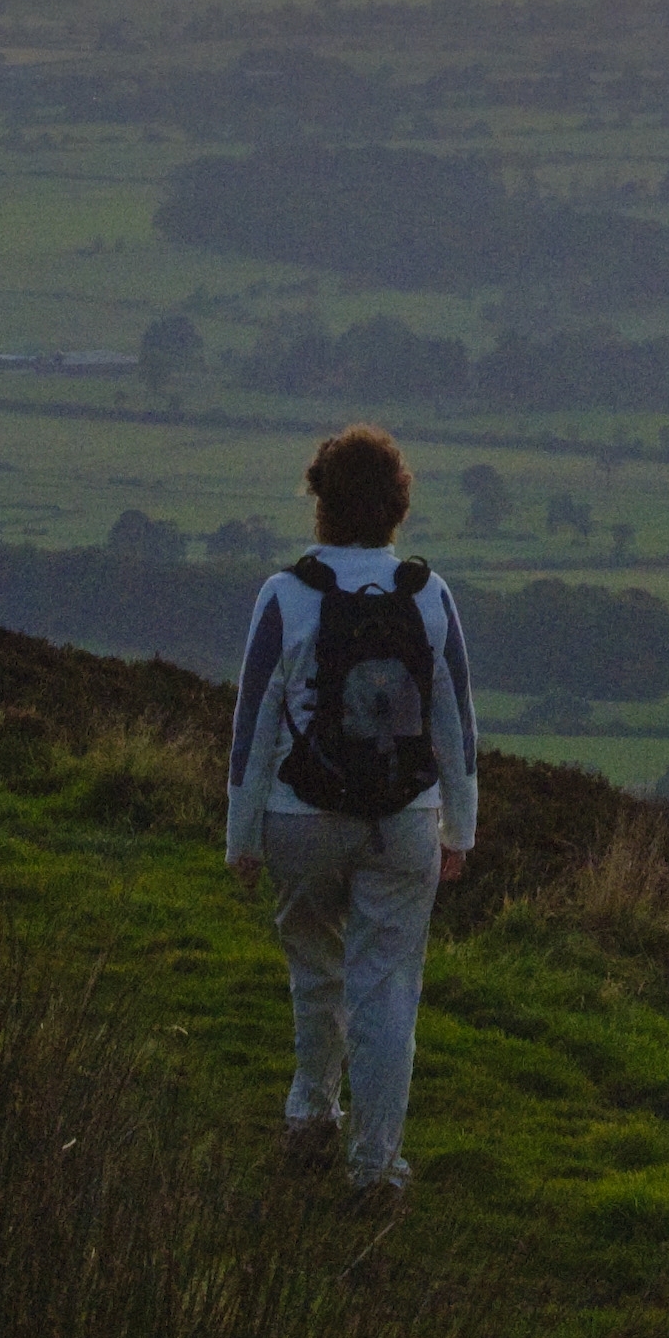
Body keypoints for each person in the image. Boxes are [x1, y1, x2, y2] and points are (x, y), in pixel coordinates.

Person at [224, 423, 480, 1197]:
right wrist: (459, 829)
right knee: (387, 992)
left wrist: (241, 837)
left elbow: (252, 723)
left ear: (321, 502)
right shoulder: (429, 595)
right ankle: (377, 1168)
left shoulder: (285, 592)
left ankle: (309, 1114)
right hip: (405, 819)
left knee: (316, 969)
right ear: (398, 505)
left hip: (299, 816)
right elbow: (457, 726)